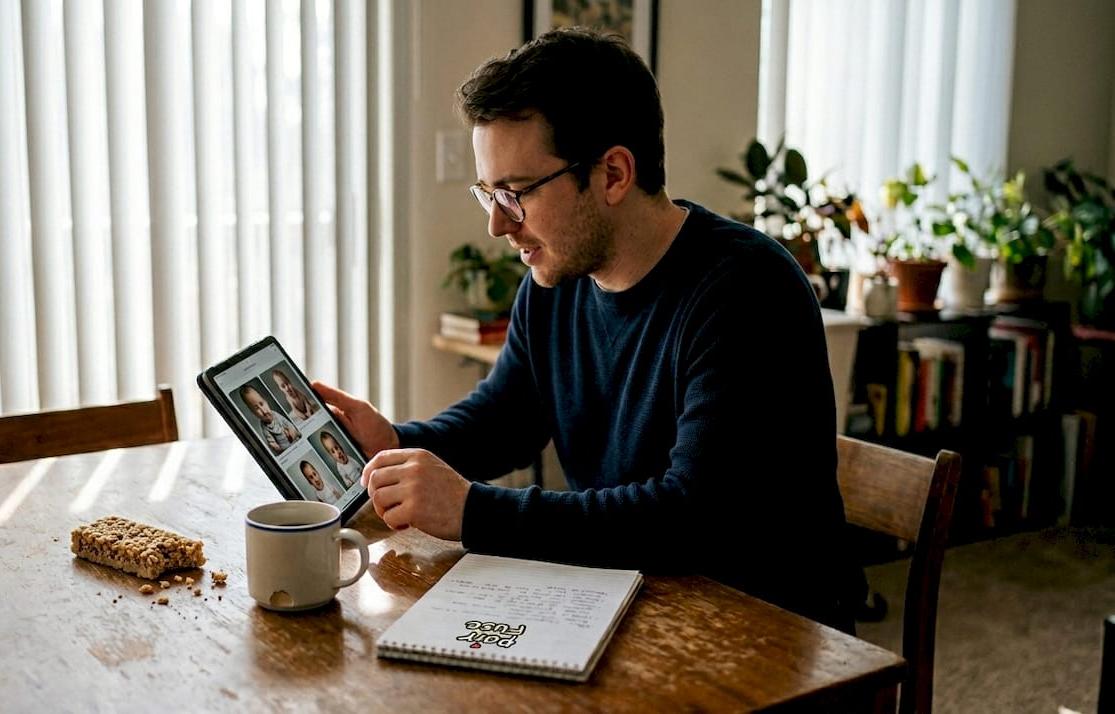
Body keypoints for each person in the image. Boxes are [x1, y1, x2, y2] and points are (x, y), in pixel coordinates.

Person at [312, 27, 863, 633]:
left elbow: (689, 517)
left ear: (614, 174)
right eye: (487, 193)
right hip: (631, 598)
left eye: (515, 192)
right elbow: (507, 416)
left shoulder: (746, 289)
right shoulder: (557, 280)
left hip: (765, 630)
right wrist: (395, 440)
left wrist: (473, 511)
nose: (497, 224)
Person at [239, 383, 300, 454]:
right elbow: (271, 441)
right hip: (285, 448)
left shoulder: (275, 414)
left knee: (297, 434)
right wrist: (276, 447)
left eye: (261, 404)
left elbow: (287, 423)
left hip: (293, 439)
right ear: (254, 413)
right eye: (256, 408)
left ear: (266, 401)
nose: (263, 411)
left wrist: (291, 431)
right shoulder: (264, 427)